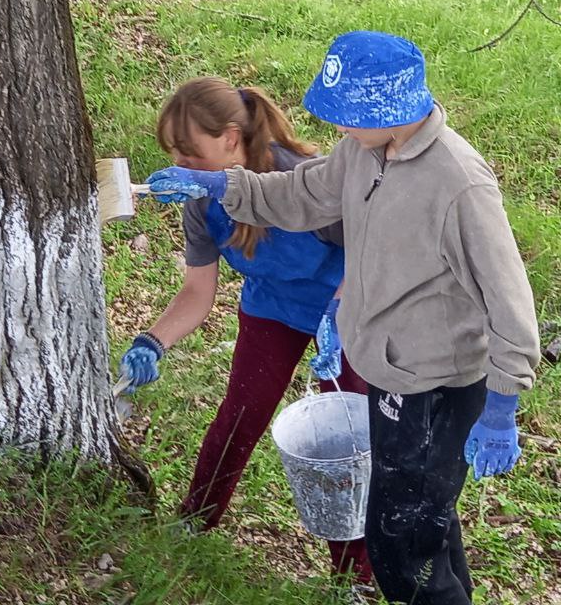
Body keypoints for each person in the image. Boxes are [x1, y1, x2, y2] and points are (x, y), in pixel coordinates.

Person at [145, 32, 541, 605]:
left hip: (436, 379)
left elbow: (508, 296)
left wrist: (503, 401)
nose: (340, 130)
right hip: (388, 366)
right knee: (424, 522)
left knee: (401, 536)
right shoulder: (363, 152)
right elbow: (301, 194)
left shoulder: (459, 182)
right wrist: (218, 185)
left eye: (349, 117)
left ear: (388, 109)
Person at [119, 76, 373, 586]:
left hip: (346, 314)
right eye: (175, 154)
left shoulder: (303, 182)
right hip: (272, 309)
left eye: (191, 152)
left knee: (343, 446)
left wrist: (340, 312)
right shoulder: (200, 199)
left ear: (231, 137)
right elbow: (196, 291)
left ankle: (356, 577)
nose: (183, 165)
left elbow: (372, 251)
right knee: (240, 415)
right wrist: (152, 340)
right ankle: (194, 522)